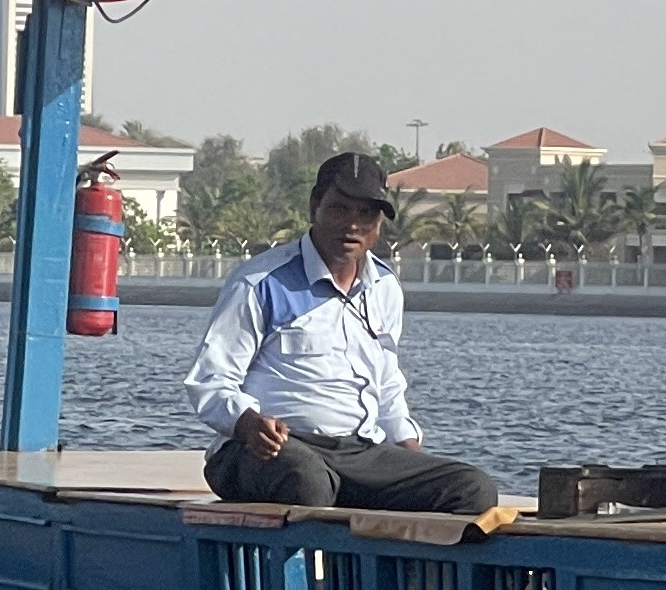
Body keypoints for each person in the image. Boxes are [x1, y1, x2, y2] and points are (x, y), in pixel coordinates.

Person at [187, 152, 502, 518]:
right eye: (340, 210)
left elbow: (386, 381)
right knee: (307, 481)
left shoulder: (383, 286)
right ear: (315, 207)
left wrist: (405, 447)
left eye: (366, 214)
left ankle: (404, 576)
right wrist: (247, 422)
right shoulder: (260, 283)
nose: (353, 225)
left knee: (471, 489)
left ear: (380, 223)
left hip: (357, 452)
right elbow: (210, 380)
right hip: (267, 450)